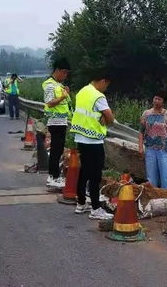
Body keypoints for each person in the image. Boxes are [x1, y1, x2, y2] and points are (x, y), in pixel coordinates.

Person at [70, 72, 114, 220]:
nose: (106, 88)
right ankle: (96, 208)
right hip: (94, 140)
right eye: (106, 85)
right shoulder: (98, 96)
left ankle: (81, 203)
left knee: (84, 172)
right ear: (102, 80)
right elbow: (110, 118)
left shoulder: (83, 91)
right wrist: (105, 117)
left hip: (81, 138)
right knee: (95, 175)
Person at [42, 58, 71, 186]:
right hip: (55, 122)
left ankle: (56, 176)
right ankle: (52, 177)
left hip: (62, 121)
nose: (65, 75)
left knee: (58, 150)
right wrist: (63, 96)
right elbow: (49, 102)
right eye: (64, 72)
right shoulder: (49, 84)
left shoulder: (58, 85)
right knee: (55, 150)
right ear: (57, 70)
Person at [138, 91, 167, 188]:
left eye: (159, 99)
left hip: (163, 150)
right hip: (150, 149)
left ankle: (165, 199)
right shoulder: (146, 114)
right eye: (155, 98)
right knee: (151, 178)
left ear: (163, 102)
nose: (156, 101)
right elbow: (141, 132)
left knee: (165, 178)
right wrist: (140, 148)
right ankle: (153, 199)